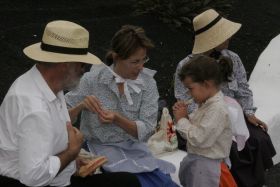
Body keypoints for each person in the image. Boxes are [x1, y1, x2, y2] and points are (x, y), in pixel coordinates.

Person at [0, 20, 141, 187]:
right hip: (31, 183)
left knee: (127, 181)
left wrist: (71, 163)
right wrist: (71, 152)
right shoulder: (34, 106)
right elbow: (33, 177)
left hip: (51, 175)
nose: (84, 70)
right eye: (82, 64)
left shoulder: (47, 84)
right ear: (65, 64)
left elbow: (49, 140)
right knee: (127, 183)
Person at [65, 25, 178, 187]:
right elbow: (60, 117)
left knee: (162, 183)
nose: (141, 66)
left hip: (135, 149)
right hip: (98, 149)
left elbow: (147, 131)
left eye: (143, 59)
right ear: (116, 57)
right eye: (134, 62)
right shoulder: (92, 79)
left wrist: (118, 119)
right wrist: (80, 106)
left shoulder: (147, 83)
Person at [174, 9, 276, 187]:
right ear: (211, 40)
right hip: (204, 121)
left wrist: (248, 113)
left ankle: (256, 181)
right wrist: (215, 118)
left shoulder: (233, 58)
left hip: (233, 116)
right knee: (231, 147)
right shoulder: (186, 66)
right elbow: (185, 100)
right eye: (224, 35)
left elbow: (243, 89)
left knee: (258, 138)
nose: (229, 37)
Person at [173, 55, 235, 187]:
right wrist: (184, 117)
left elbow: (199, 139)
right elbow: (198, 131)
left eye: (190, 88)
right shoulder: (206, 104)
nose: (189, 94)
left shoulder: (217, 109)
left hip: (209, 171)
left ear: (206, 84)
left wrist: (182, 120)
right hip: (201, 165)